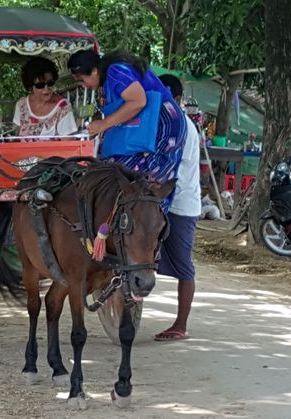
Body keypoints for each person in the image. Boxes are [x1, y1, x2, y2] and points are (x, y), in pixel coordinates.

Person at [68, 49, 187, 210]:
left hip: (165, 125)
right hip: (147, 129)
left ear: (95, 71)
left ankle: (148, 226)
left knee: (151, 180)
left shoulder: (116, 71)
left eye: (83, 80)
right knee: (118, 170)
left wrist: (104, 124)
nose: (84, 86)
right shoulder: (107, 82)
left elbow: (138, 102)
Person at [153, 74, 201, 342]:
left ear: (178, 99)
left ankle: (181, 324)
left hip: (180, 204)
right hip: (161, 200)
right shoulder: (162, 123)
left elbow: (169, 168)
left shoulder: (183, 127)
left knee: (183, 265)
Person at [13, 57, 77, 136]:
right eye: (40, 85)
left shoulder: (63, 107)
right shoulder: (21, 105)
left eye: (50, 83)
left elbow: (68, 143)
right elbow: (16, 139)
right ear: (30, 86)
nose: (46, 89)